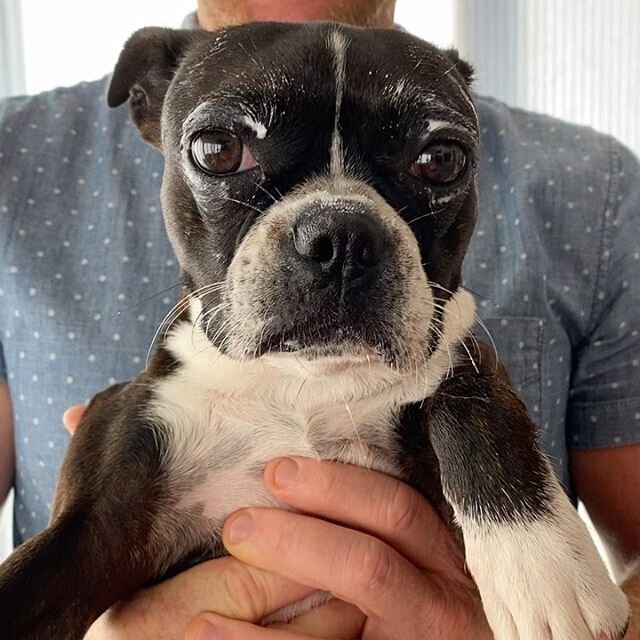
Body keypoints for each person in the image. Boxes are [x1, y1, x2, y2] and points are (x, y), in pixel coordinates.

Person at [0, 0, 639, 637]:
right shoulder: (15, 156)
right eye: (223, 150)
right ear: (150, 108)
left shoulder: (599, 189)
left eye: (434, 163)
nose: (334, 246)